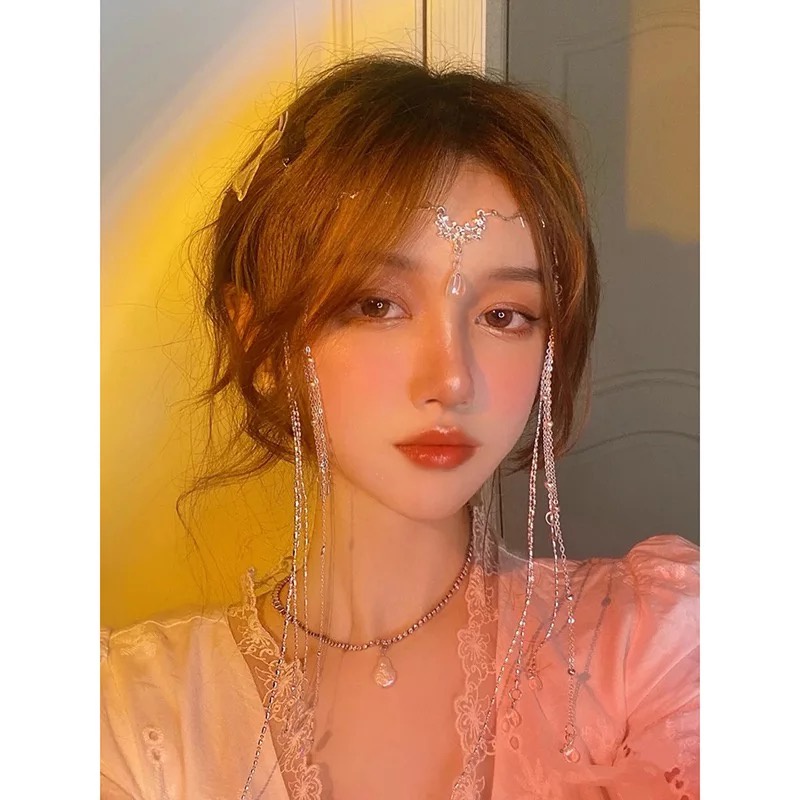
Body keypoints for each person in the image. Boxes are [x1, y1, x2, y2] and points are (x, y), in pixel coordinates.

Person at [100, 55, 699, 800]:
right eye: (377, 305)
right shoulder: (127, 713)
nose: (452, 380)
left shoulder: (653, 648)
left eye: (504, 315)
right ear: (260, 340)